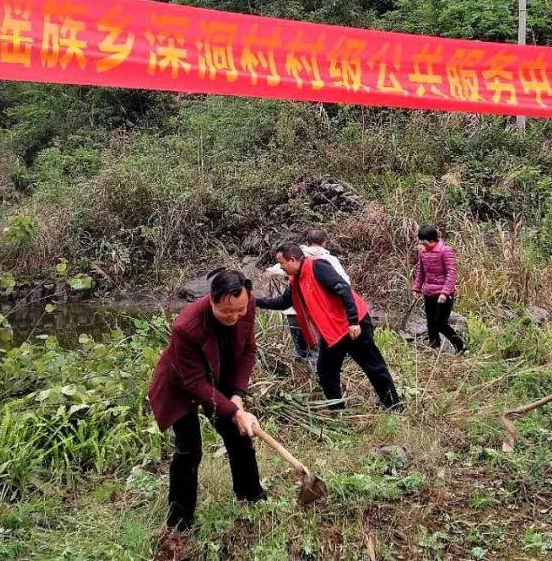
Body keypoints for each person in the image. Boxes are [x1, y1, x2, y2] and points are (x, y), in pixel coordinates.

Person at [148, 269, 265, 549]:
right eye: (227, 311)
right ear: (211, 301)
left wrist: (237, 396)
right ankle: (179, 524)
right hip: (181, 384)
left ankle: (252, 497)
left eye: (240, 310)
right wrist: (234, 411)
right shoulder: (187, 326)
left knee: (239, 435)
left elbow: (249, 350)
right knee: (190, 451)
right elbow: (194, 383)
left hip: (218, 378)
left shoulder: (245, 307)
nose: (235, 316)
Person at [260, 243, 402, 411]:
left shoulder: (317, 266)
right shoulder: (295, 281)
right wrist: (254, 301)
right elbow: (283, 302)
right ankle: (338, 411)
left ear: (292, 260)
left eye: (281, 262)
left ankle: (394, 406)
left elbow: (343, 289)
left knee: (373, 365)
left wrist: (353, 321)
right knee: (326, 371)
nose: (281, 267)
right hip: (332, 333)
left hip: (352, 325)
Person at [264, 230, 349, 363]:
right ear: (324, 242)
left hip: (293, 313)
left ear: (307, 242)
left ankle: (298, 378)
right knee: (316, 352)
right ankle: (314, 379)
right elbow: (344, 283)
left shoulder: (294, 257)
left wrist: (287, 276)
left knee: (299, 352)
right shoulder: (328, 260)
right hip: (313, 315)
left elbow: (270, 273)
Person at [411, 225, 465, 353]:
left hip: (443, 294)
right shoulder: (423, 252)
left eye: (424, 241)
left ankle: (460, 346)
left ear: (432, 239)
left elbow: (451, 273)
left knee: (441, 323)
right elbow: (421, 272)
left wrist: (444, 293)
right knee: (430, 322)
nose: (422, 244)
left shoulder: (445, 251)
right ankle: (434, 347)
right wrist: (416, 288)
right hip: (429, 292)